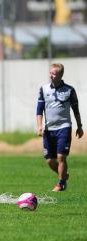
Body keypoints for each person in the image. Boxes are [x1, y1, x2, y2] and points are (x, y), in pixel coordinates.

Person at [36, 63, 83, 192]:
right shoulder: (43, 89)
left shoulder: (69, 90)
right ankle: (64, 175)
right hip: (49, 129)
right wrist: (39, 126)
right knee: (50, 160)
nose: (51, 76)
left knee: (61, 157)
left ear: (61, 75)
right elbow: (39, 110)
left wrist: (79, 126)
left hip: (64, 127)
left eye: (54, 74)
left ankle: (61, 183)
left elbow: (76, 110)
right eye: (50, 73)